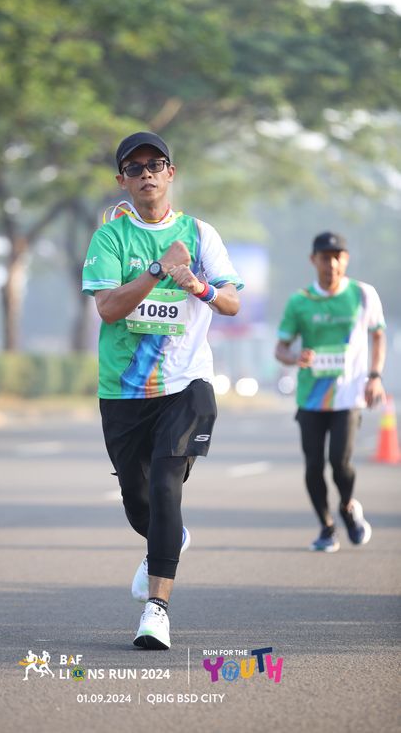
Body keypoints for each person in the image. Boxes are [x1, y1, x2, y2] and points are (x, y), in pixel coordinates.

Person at [82, 131, 244, 649]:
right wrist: (157, 269)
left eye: (156, 164)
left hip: (186, 384)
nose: (146, 173)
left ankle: (157, 610)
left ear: (171, 173)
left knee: (166, 486)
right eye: (135, 167)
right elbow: (108, 309)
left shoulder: (200, 234)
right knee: (138, 502)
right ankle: (168, 537)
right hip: (123, 391)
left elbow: (232, 303)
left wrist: (198, 284)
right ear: (122, 180)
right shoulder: (111, 238)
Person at [275, 231, 386, 553]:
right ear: (314, 260)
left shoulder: (363, 294)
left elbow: (378, 334)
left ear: (346, 259)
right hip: (311, 397)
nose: (332, 264)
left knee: (340, 462)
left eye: (338, 257)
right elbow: (280, 349)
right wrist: (295, 357)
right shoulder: (299, 301)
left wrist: (374, 376)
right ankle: (326, 527)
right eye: (325, 258)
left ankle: (348, 506)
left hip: (348, 396)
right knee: (313, 465)